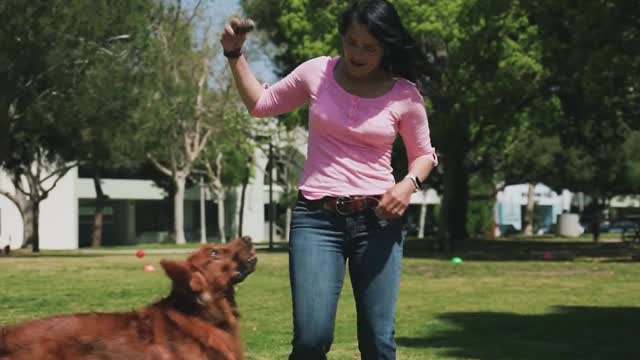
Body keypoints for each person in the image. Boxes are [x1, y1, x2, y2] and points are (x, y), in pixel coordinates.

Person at [220, 1, 437, 359]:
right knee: (311, 339)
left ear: (386, 47)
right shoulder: (317, 72)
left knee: (378, 342)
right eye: (352, 42)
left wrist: (408, 183)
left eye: (369, 47)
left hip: (379, 222)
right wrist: (234, 54)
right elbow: (261, 103)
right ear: (342, 38)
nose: (358, 53)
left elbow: (424, 155)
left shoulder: (405, 95)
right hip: (316, 221)